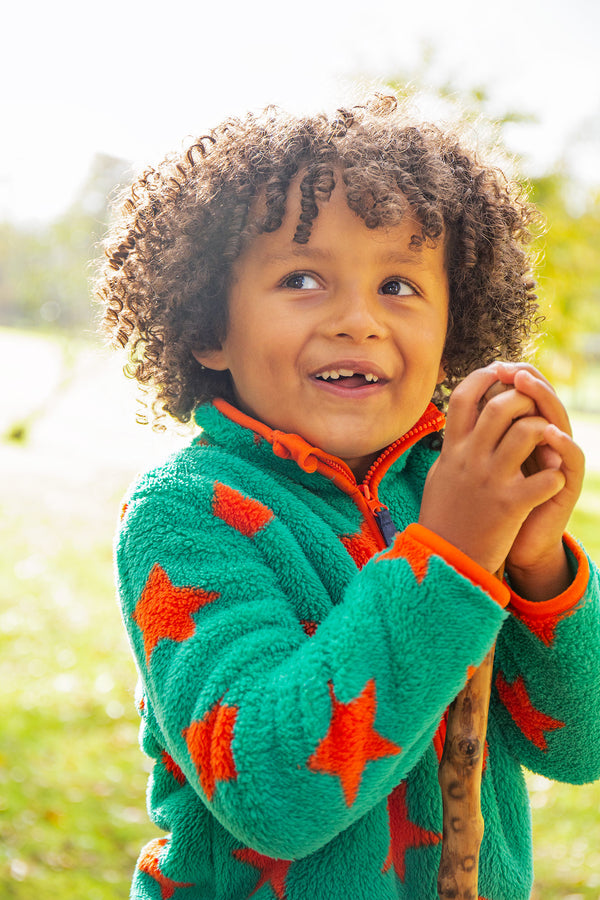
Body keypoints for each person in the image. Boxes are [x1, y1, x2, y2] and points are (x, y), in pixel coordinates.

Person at [95, 96, 600, 900]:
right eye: (302, 278)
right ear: (206, 327)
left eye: (399, 283)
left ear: (453, 326)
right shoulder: (188, 513)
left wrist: (537, 565)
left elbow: (582, 746)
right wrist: (452, 560)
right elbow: (275, 793)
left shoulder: (456, 489)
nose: (358, 319)